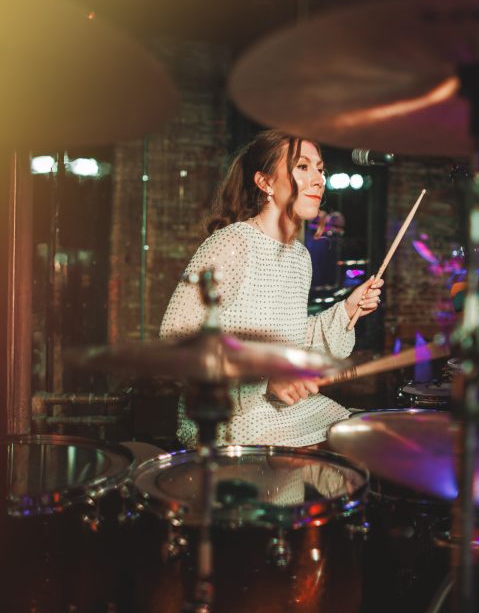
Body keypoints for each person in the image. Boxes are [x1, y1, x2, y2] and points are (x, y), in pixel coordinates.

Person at [159, 130, 383, 448]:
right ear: (265, 183)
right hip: (227, 419)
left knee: (361, 439)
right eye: (302, 167)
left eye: (320, 168)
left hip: (284, 412)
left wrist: (347, 309)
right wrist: (264, 382)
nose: (319, 179)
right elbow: (176, 340)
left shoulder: (300, 256)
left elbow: (289, 337)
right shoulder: (233, 243)